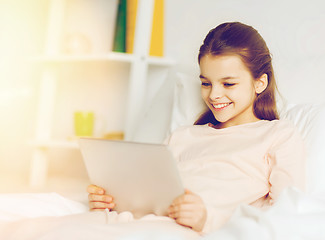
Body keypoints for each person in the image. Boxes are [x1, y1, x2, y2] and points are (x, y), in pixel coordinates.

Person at [87, 22, 305, 234]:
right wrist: (111, 200)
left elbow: (286, 216)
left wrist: (207, 219)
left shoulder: (278, 135)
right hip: (132, 224)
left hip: (186, 231)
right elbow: (147, 196)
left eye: (228, 83)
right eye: (206, 83)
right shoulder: (183, 136)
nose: (214, 95)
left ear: (260, 83)